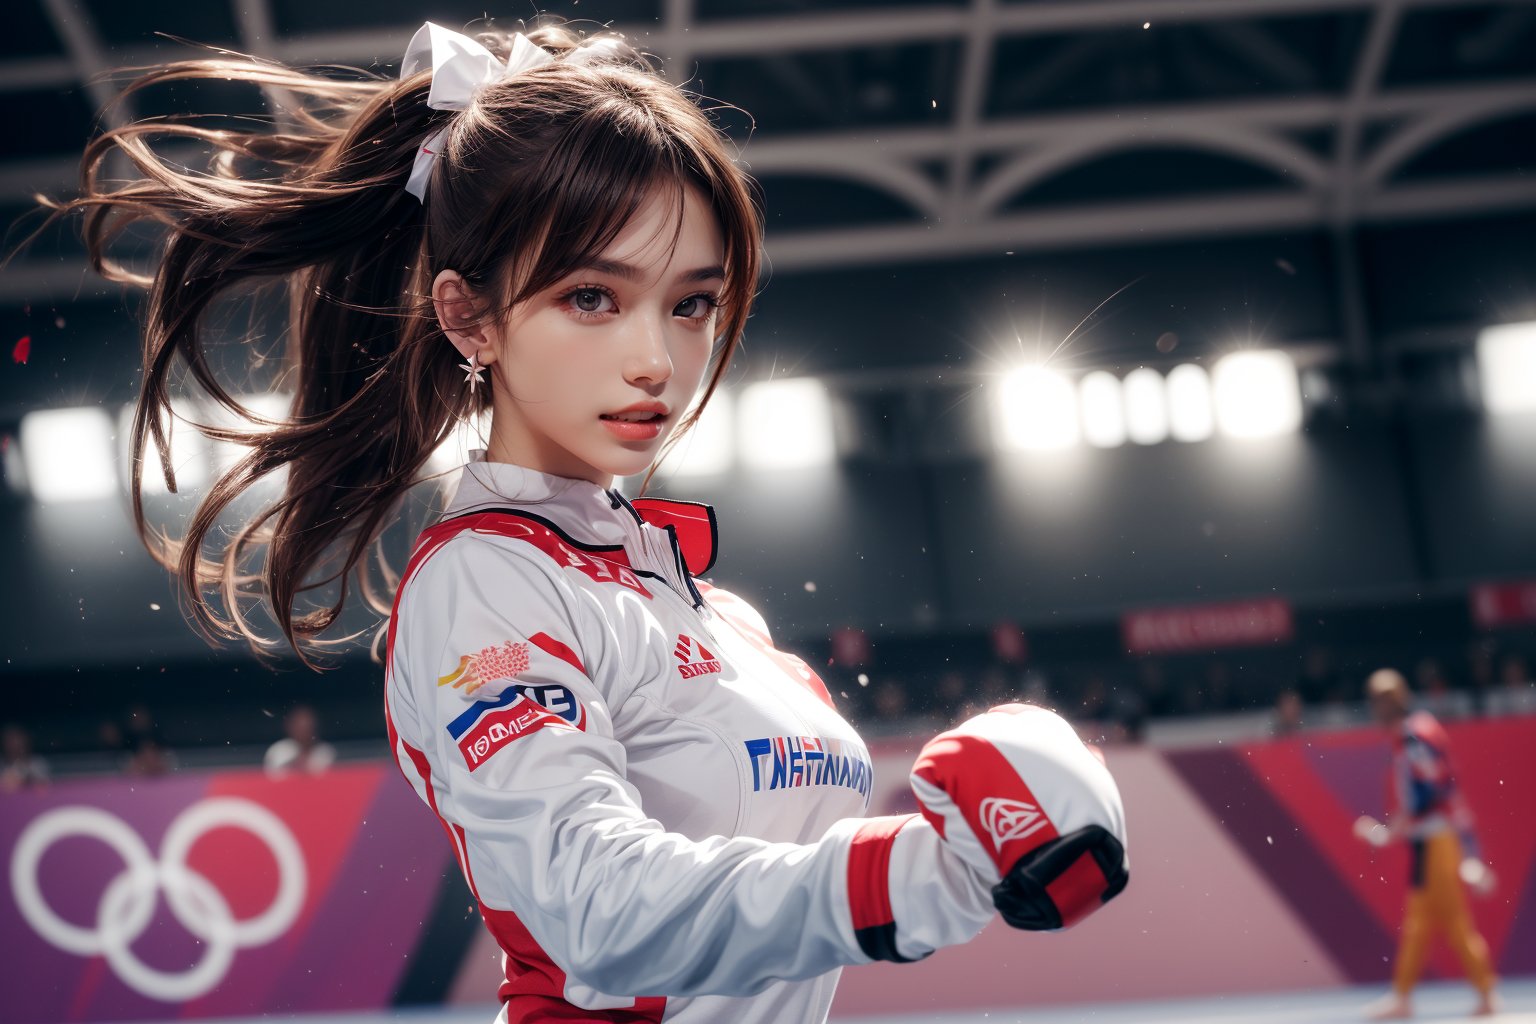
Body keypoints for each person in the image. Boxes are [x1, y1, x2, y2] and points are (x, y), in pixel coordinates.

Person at [18, 15, 1130, 1021]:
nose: (658, 357)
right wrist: (928, 877)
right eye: (591, 296)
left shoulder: (711, 611)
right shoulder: (485, 584)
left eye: (692, 302)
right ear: (470, 314)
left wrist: (979, 842)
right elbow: (595, 909)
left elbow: (776, 908)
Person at [1353, 668, 1499, 1019]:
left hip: (1435, 841)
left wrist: (1386, 833)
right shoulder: (1413, 734)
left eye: (1382, 700)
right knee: (1421, 925)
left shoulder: (1413, 737)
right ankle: (1406, 996)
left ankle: (1484, 993)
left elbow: (1429, 792)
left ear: (1395, 700)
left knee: (1450, 923)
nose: (1377, 708)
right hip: (1429, 842)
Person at [263, 703, 337, 777]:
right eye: (300, 727)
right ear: (290, 727)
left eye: (308, 726)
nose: (304, 731)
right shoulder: (278, 751)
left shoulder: (326, 751)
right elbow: (272, 779)